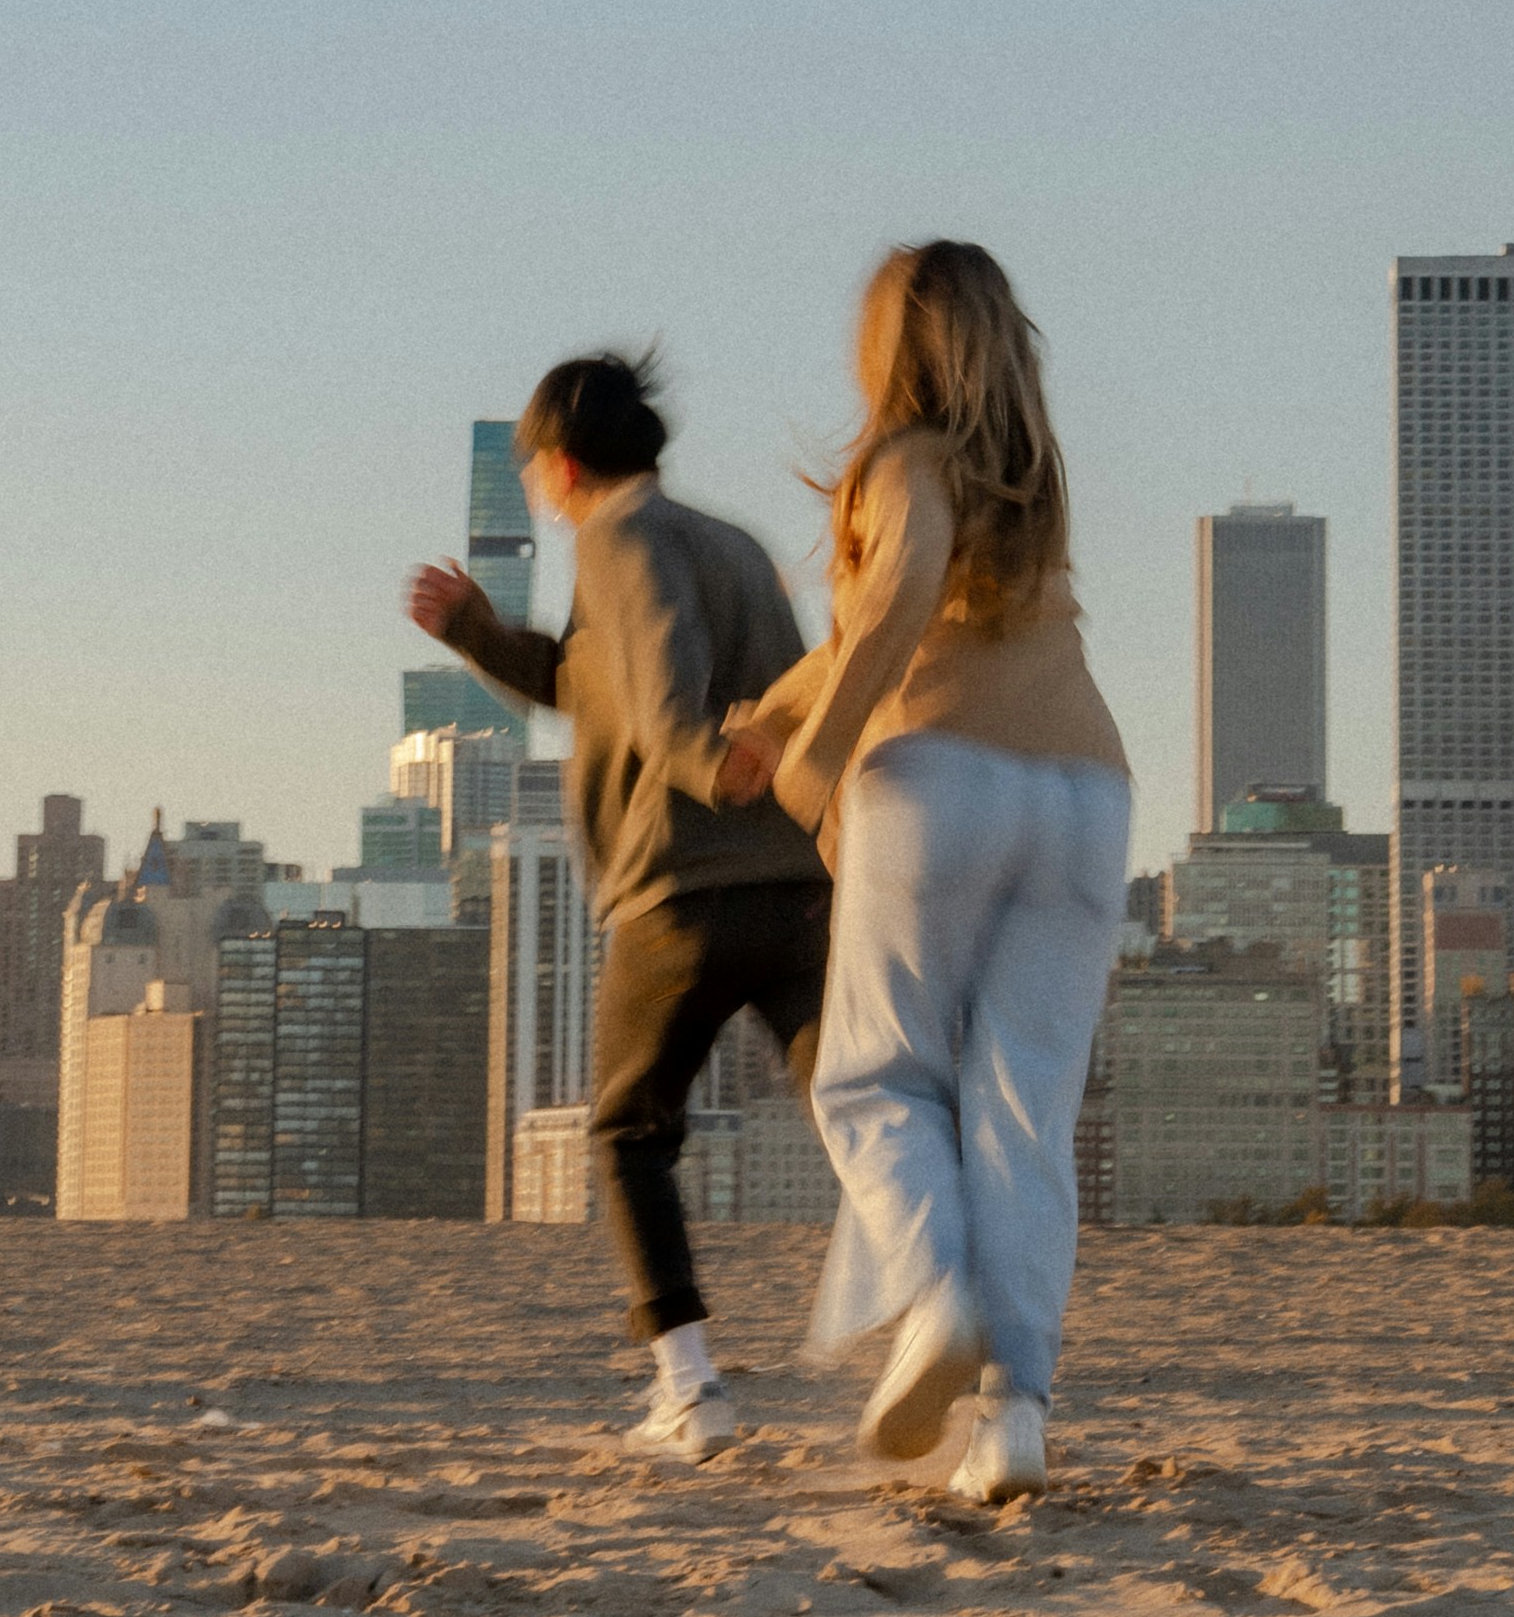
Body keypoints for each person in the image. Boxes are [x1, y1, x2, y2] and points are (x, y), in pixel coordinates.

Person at [714, 242, 1129, 1508]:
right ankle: (1014, 1419)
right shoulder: (1032, 484)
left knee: (876, 1076)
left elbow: (892, 605)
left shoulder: (902, 465)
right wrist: (768, 719)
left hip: (937, 784)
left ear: (887, 348)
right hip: (1084, 799)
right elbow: (861, 636)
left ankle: (934, 1293)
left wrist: (812, 765)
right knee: (1023, 1112)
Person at [407, 348, 829, 1463]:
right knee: (864, 1115)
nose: (540, 487)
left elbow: (658, 669)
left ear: (561, 460)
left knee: (628, 1133)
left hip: (679, 893)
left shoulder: (618, 536)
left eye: (537, 465)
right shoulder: (728, 540)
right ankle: (968, 1354)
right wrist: (476, 632)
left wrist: (696, 757)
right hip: (797, 887)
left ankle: (689, 1390)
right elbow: (592, 680)